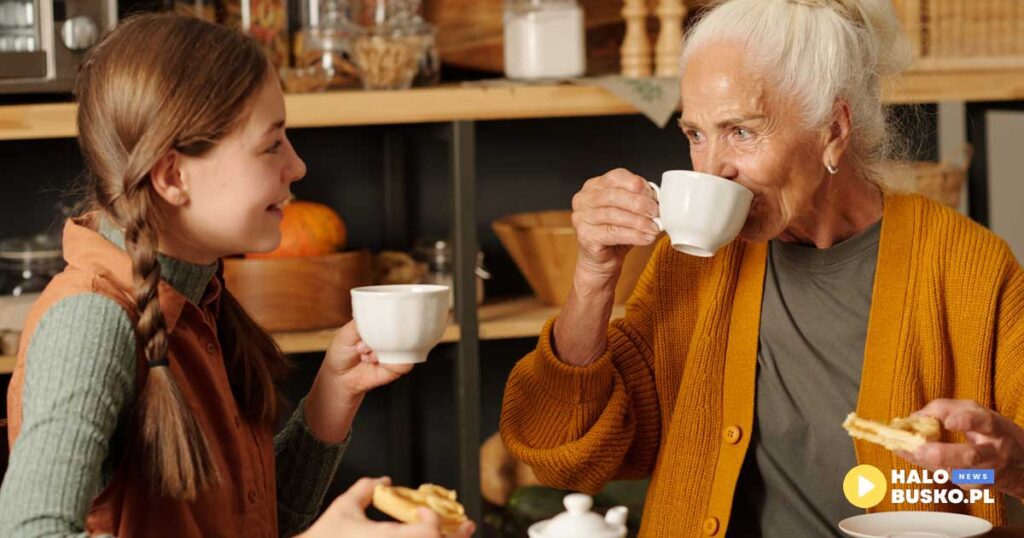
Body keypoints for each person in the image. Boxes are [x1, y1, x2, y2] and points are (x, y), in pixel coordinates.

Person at [499, 0, 1024, 536]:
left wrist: (1015, 464)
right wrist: (593, 278)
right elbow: (562, 454)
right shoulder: (691, 266)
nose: (712, 171)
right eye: (696, 135)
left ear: (833, 129)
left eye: (741, 132)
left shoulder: (971, 270)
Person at [0, 13, 473, 538]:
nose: (297, 166)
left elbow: (251, 521)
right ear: (173, 175)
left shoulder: (195, 295)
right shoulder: (89, 324)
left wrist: (333, 394)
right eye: (272, 145)